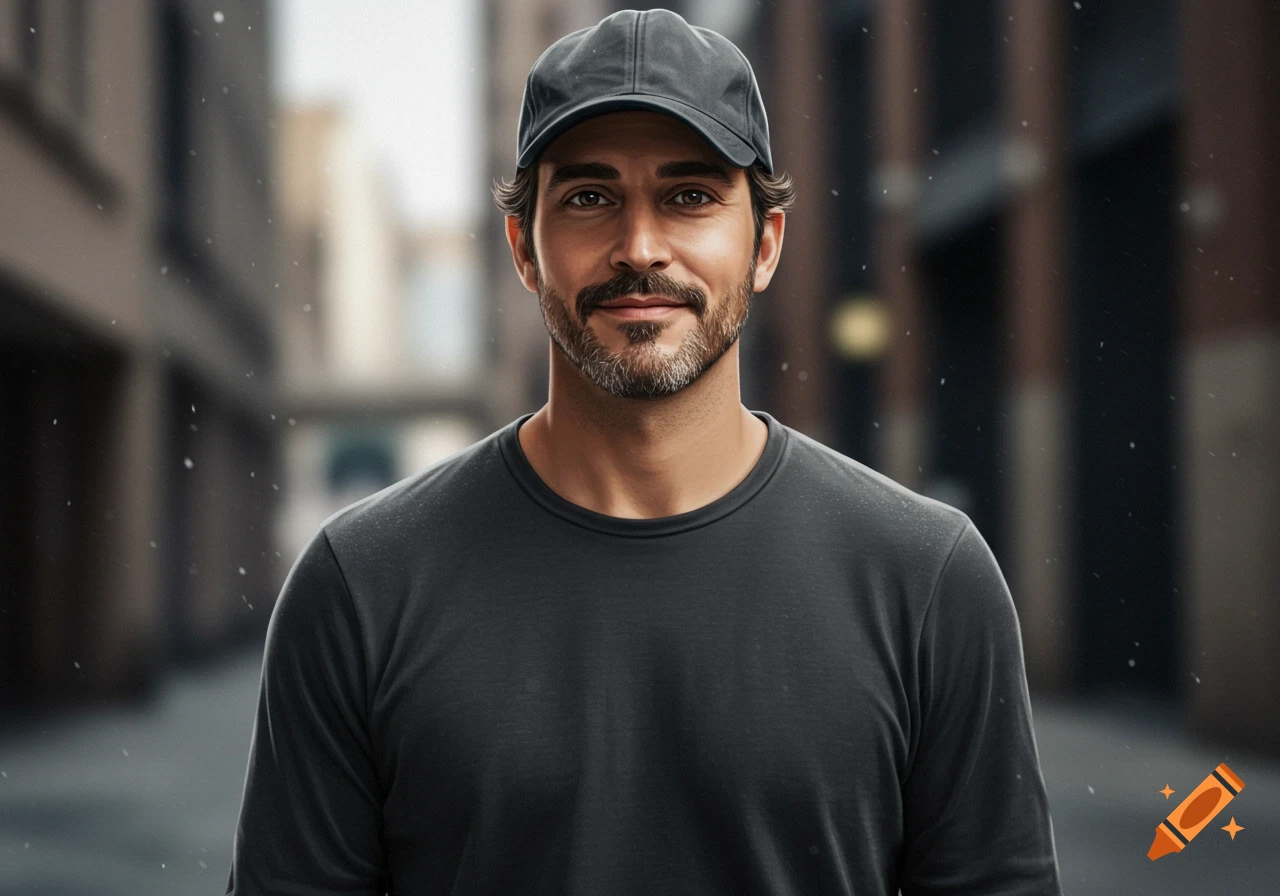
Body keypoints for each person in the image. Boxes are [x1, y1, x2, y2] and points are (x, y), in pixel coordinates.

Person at [226, 9, 1062, 895]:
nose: (639, 248)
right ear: (523, 247)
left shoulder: (927, 581)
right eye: (589, 197)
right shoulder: (361, 585)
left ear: (766, 242)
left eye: (691, 196)